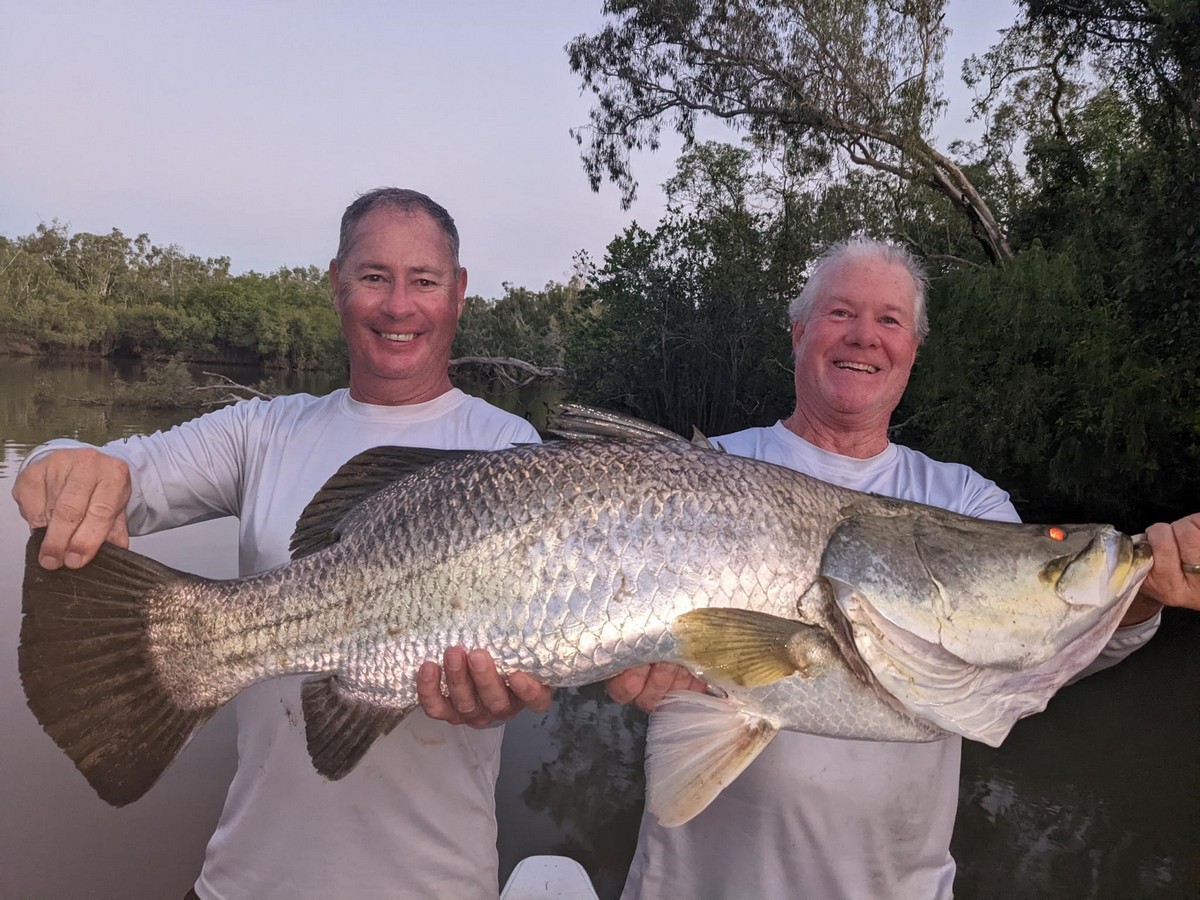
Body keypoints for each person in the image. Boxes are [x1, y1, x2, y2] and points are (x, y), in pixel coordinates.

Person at [608, 237, 1200, 899]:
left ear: (914, 349)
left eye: (889, 320)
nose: (864, 337)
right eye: (839, 313)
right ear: (799, 332)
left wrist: (1140, 597)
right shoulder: (698, 475)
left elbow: (1028, 654)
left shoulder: (967, 501)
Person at [12, 187, 554, 899]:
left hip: (437, 881)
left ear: (457, 294)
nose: (398, 305)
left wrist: (506, 691)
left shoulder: (511, 449)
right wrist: (51, 457)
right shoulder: (263, 430)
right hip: (243, 879)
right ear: (335, 285)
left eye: (423, 280)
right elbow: (119, 472)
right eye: (372, 277)